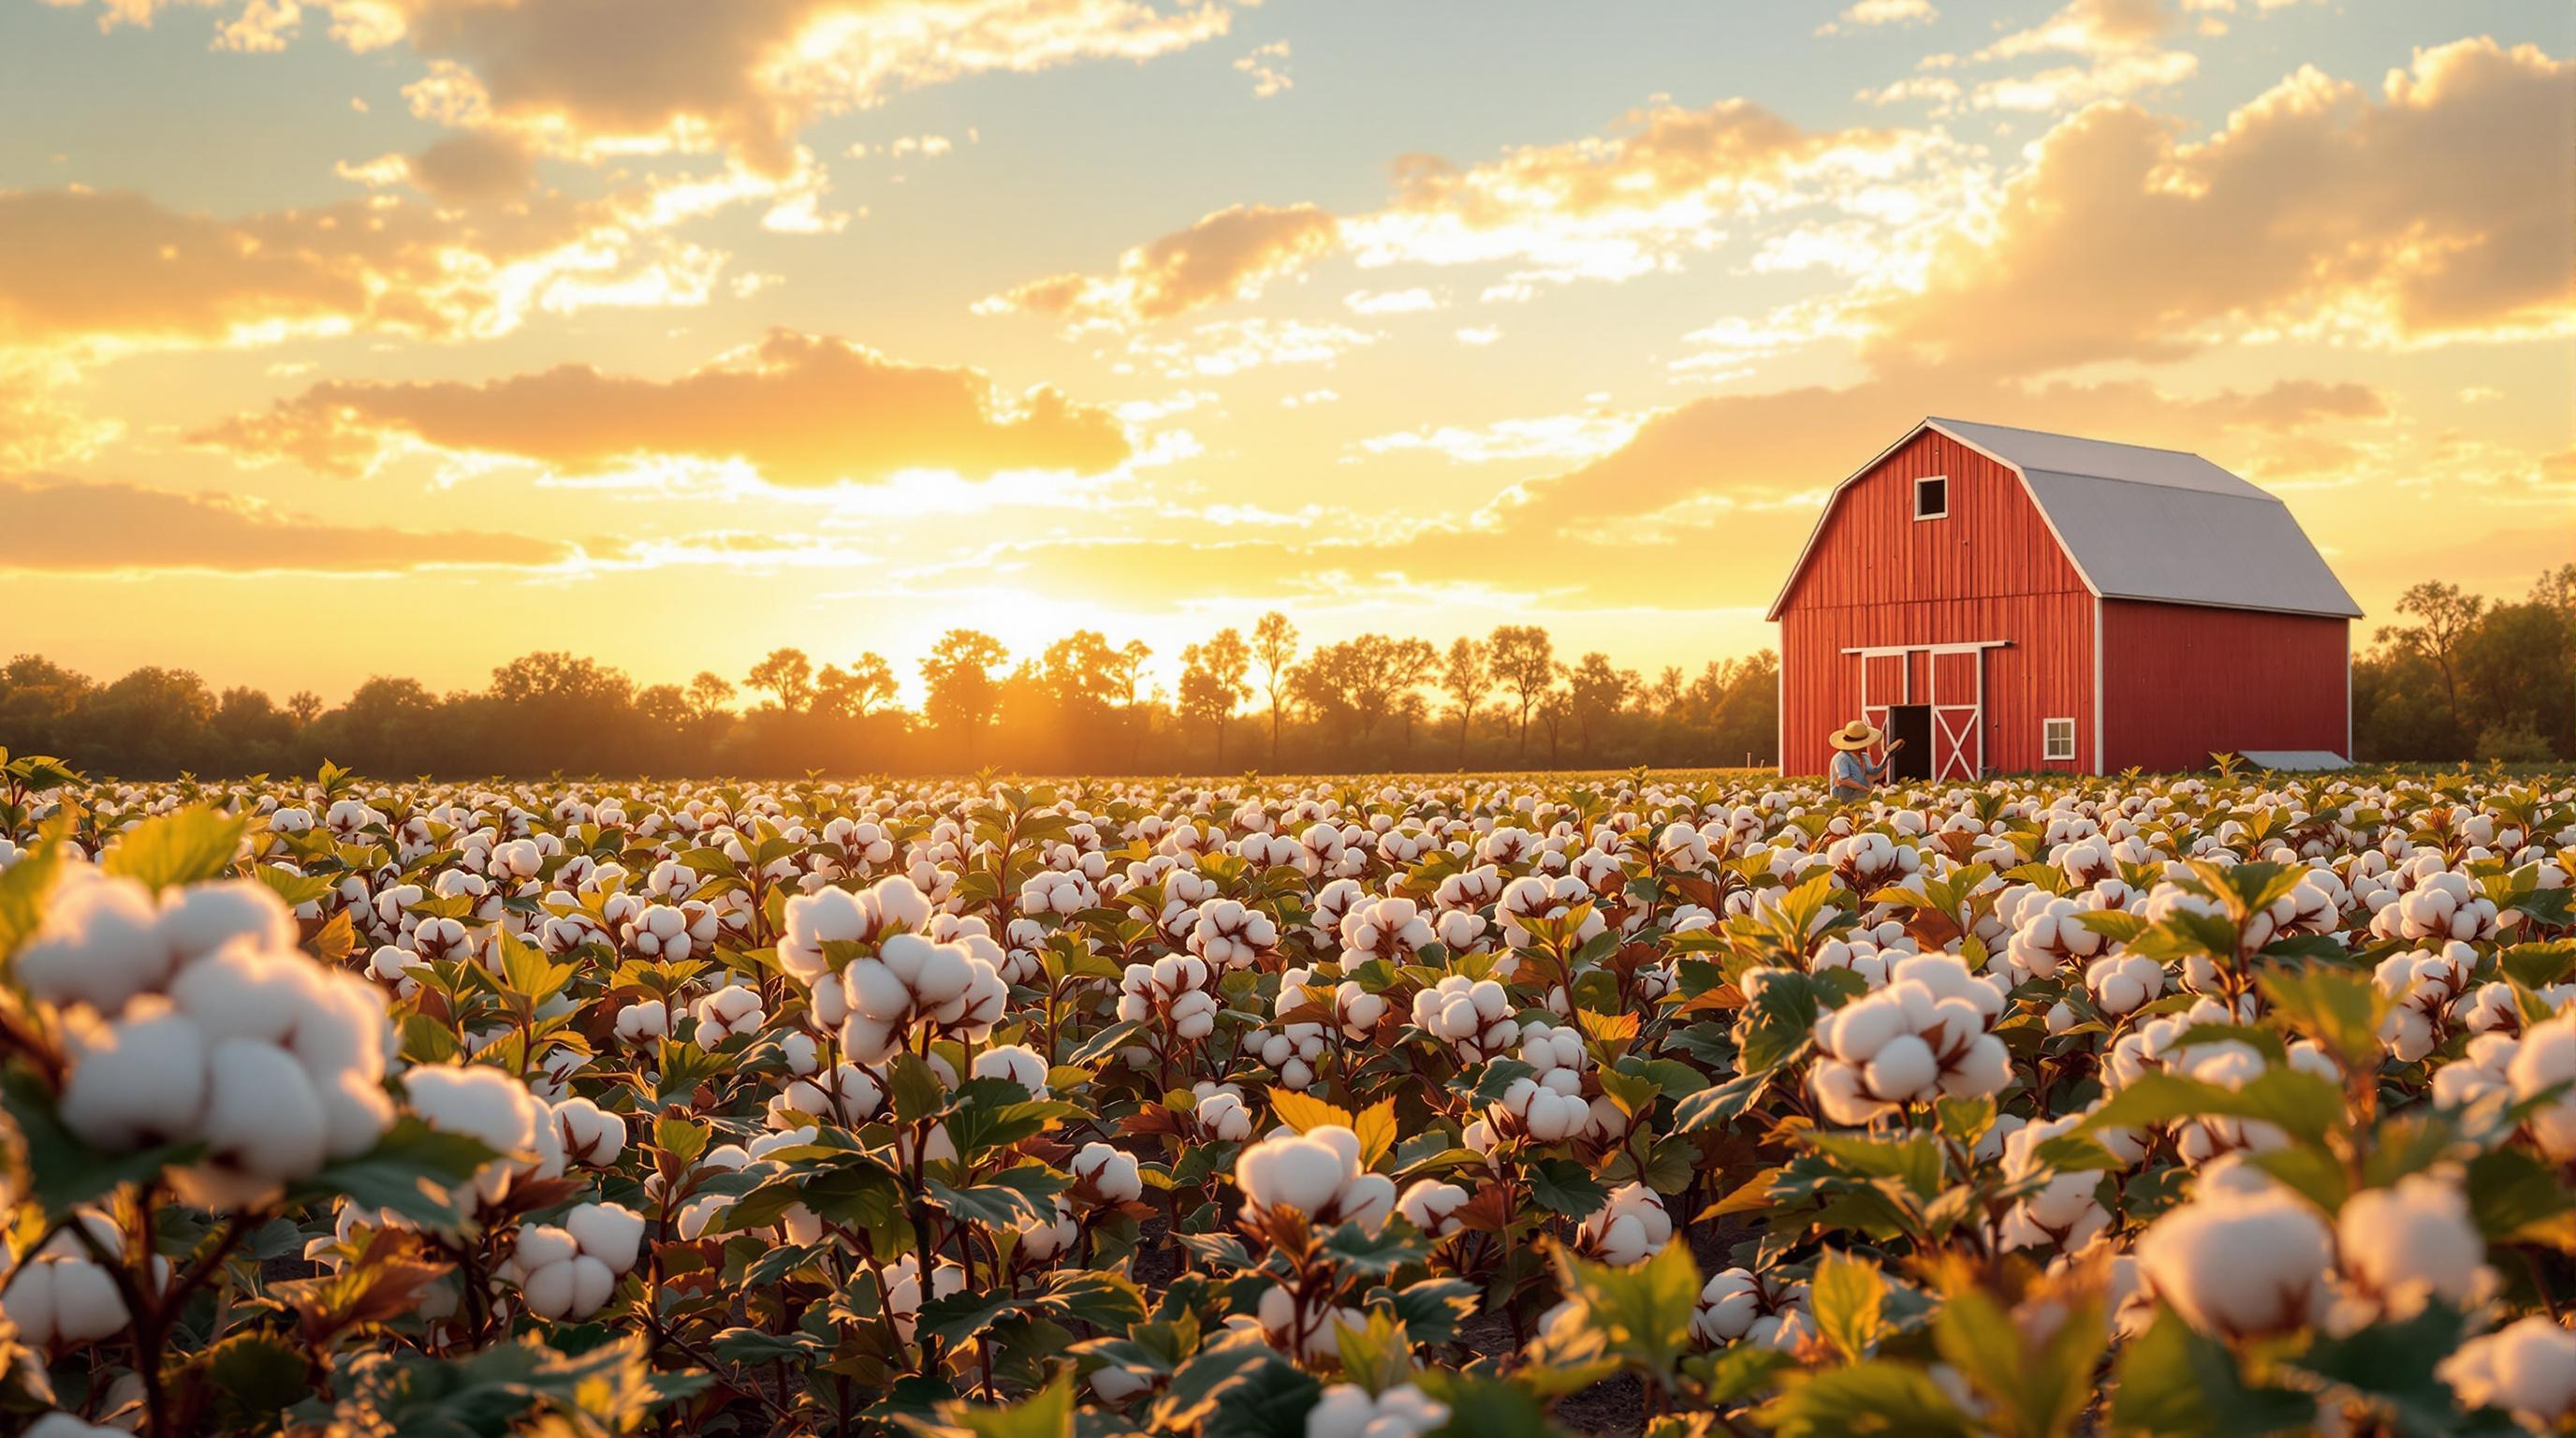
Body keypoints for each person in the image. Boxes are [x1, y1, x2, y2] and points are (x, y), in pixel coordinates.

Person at [1828, 720, 1902, 801]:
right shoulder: (1841, 758)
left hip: (1860, 794)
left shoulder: (1865, 756)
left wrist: (1886, 757)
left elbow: (1874, 771)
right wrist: (1865, 789)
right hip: (1843, 797)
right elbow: (1844, 780)